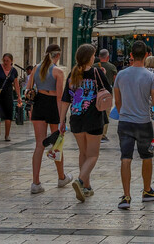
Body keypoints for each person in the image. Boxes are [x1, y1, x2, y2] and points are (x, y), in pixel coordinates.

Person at [114, 40, 154, 210]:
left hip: (125, 122)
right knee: (147, 157)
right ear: (147, 55)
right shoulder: (151, 77)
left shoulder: (121, 75)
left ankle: (126, 196)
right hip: (143, 122)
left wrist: (123, 113)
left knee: (125, 157)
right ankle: (147, 191)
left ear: (130, 55)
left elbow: (118, 101)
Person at [60, 44, 112, 202]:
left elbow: (65, 99)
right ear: (89, 57)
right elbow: (108, 91)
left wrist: (61, 120)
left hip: (76, 119)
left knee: (83, 153)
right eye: (93, 55)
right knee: (94, 155)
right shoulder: (96, 72)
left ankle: (87, 187)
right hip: (93, 119)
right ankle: (81, 180)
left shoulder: (72, 74)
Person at [28, 45, 72, 194]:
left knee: (39, 144)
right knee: (57, 143)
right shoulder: (58, 72)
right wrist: (62, 118)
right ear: (58, 56)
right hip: (52, 105)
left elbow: (28, 90)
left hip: (39, 104)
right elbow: (60, 97)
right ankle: (61, 177)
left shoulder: (35, 68)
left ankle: (35, 182)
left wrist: (31, 108)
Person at [0, 53, 23, 142]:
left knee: (8, 115)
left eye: (7, 61)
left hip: (8, 95)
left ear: (11, 61)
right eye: (4, 60)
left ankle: (7, 135)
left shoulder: (14, 71)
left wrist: (19, 96)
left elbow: (16, 84)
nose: (5, 62)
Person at [97, 49, 118, 143]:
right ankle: (103, 134)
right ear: (108, 57)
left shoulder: (94, 66)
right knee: (106, 113)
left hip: (96, 92)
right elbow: (115, 81)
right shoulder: (112, 67)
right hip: (107, 92)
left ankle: (96, 131)